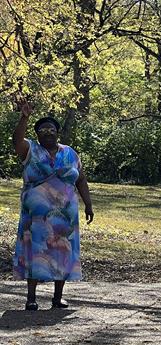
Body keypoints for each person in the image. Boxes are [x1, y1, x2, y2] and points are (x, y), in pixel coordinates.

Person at [12, 98, 94, 311]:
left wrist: (88, 204)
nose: (47, 132)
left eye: (51, 129)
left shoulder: (70, 153)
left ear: (57, 132)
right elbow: (16, 139)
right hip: (36, 217)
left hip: (65, 215)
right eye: (42, 130)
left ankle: (58, 298)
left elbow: (81, 179)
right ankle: (31, 298)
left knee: (63, 253)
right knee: (34, 253)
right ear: (37, 135)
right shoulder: (31, 149)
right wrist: (24, 117)